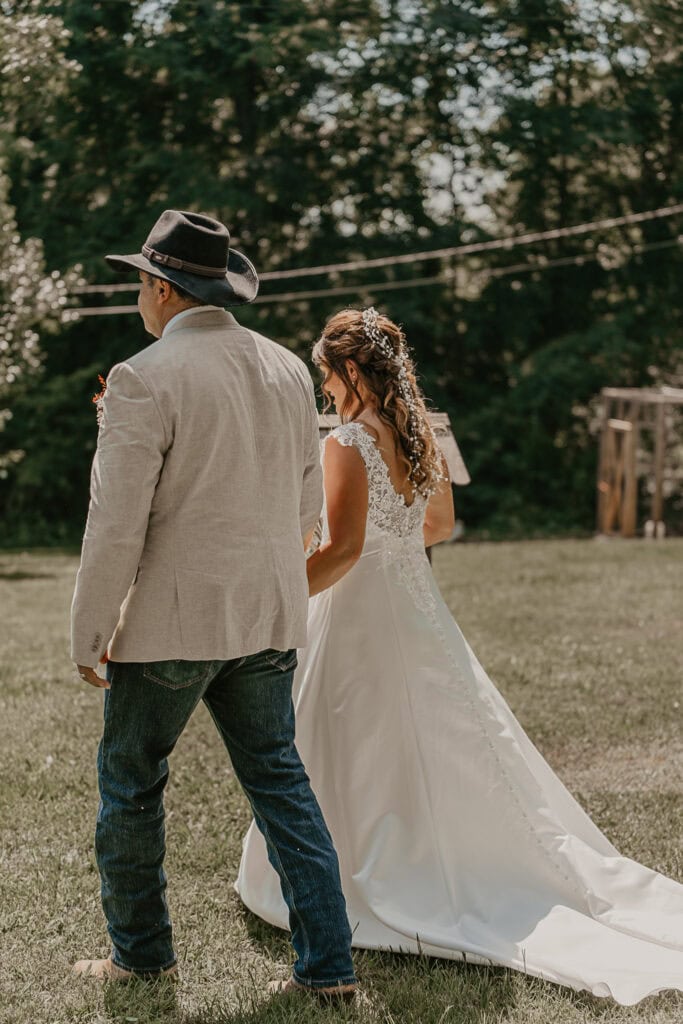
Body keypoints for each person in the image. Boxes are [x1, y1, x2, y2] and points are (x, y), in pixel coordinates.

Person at [236, 307, 683, 1006]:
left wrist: (273, 597)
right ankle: (434, 853)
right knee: (436, 738)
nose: (323, 388)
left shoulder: (348, 441)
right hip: (415, 608)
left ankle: (366, 872)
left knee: (351, 736)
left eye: (325, 373)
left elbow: (343, 551)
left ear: (350, 369)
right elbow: (437, 523)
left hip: (359, 613)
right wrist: (394, 544)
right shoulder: (416, 431)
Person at [70, 210, 356, 1000]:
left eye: (139, 281)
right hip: (267, 615)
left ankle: (141, 954)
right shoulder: (286, 368)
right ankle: (329, 969)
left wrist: (89, 633)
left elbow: (114, 523)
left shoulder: (142, 376)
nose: (138, 294)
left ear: (161, 288)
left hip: (170, 624)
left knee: (131, 784)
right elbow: (305, 504)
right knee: (279, 784)